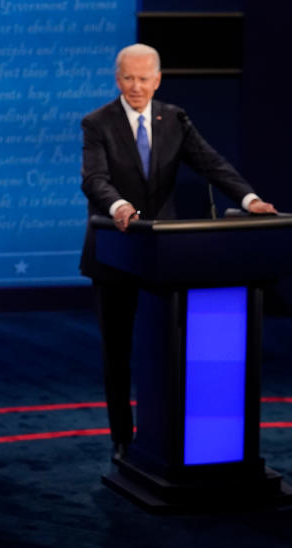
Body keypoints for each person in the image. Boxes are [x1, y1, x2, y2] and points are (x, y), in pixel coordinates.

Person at [78, 44, 276, 458]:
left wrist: (249, 199)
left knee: (165, 347)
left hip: (164, 258)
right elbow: (94, 179)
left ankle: (164, 432)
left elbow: (212, 164)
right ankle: (121, 438)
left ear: (158, 80)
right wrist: (118, 207)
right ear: (118, 79)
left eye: (144, 78)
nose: (136, 87)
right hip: (113, 252)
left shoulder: (175, 120)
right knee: (117, 351)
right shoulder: (97, 123)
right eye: (128, 78)